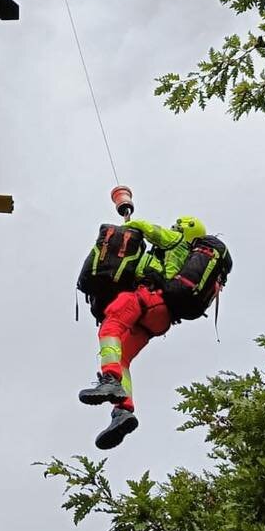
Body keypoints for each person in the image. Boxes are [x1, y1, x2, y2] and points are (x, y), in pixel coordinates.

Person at [79, 190, 206, 450]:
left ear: (183, 229)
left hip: (149, 297)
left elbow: (142, 226)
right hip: (161, 318)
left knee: (111, 326)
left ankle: (111, 380)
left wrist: (127, 218)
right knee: (122, 357)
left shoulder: (175, 240)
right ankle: (122, 411)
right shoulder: (181, 259)